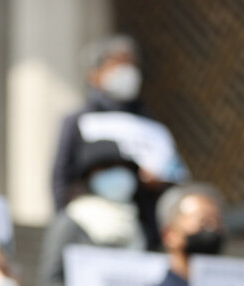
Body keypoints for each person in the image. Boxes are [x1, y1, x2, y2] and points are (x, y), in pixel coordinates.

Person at [51, 34, 188, 249]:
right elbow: (61, 178)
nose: (127, 71)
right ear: (94, 74)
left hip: (147, 230)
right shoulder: (78, 121)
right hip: (92, 230)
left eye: (131, 64)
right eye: (117, 63)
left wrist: (160, 180)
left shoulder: (153, 125)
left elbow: (178, 177)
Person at [38, 139, 145, 286]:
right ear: (89, 174)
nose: (117, 174)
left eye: (122, 168)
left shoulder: (134, 222)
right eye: (107, 168)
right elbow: (50, 282)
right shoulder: (71, 221)